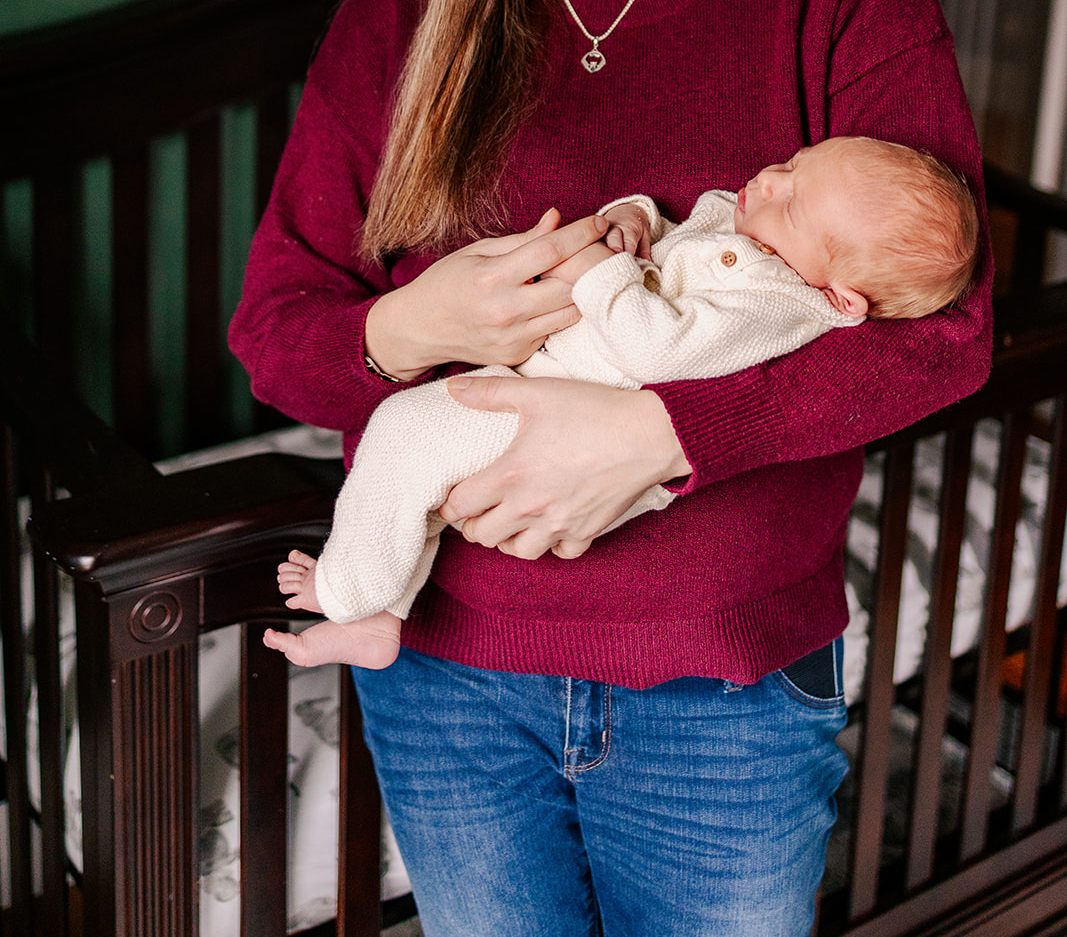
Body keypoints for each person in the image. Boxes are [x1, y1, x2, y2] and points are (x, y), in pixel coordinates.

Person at [229, 0, 992, 937]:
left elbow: (941, 334)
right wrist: (413, 329)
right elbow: (277, 327)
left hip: (724, 691)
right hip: (448, 678)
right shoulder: (401, 12)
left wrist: (658, 432)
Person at [261, 136, 979, 672]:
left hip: (562, 428)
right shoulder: (748, 235)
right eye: (794, 163)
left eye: (792, 198)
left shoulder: (778, 303)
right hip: (541, 393)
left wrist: (600, 270)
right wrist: (630, 221)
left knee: (404, 432)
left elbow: (656, 350)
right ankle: (383, 617)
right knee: (422, 475)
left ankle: (349, 587)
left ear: (839, 296)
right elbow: (676, 233)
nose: (769, 178)